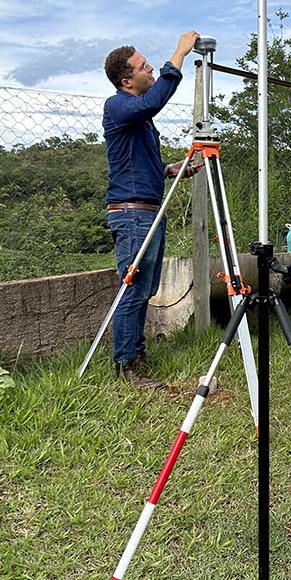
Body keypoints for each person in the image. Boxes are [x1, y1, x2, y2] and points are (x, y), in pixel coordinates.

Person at [102, 32, 202, 387]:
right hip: (132, 214)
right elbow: (154, 101)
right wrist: (179, 55)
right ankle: (127, 365)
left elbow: (136, 164)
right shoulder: (118, 106)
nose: (150, 70)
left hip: (146, 210)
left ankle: (136, 356)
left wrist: (169, 169)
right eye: (143, 66)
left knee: (144, 288)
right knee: (133, 288)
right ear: (126, 81)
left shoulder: (139, 119)